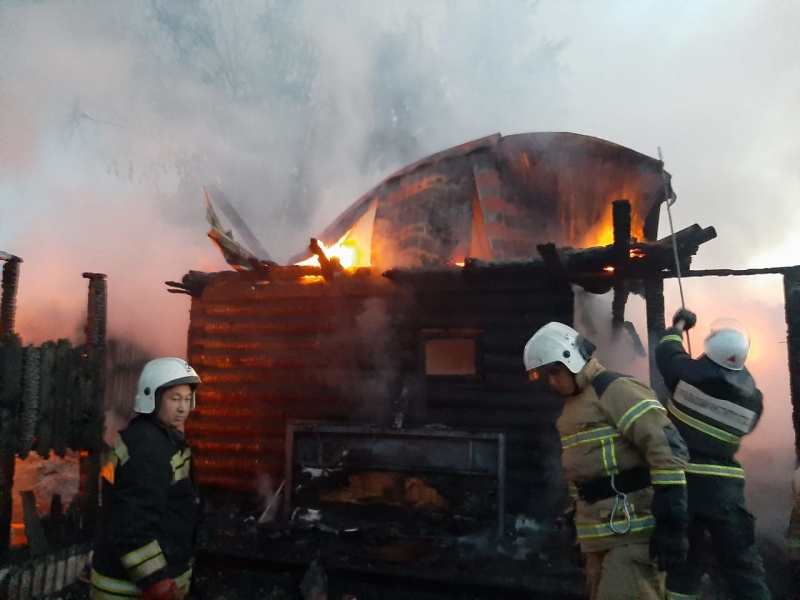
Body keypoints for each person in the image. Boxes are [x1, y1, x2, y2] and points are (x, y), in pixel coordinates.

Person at [523, 322, 689, 600]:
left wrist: (673, 523)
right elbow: (585, 471)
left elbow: (667, 448)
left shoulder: (615, 389)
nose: (551, 382)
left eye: (554, 372)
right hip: (600, 537)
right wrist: (576, 520)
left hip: (631, 536)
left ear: (570, 358)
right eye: (544, 376)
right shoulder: (575, 406)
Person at [656, 309, 772, 600]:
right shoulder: (753, 399)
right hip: (725, 489)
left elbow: (666, 350)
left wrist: (680, 324)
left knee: (684, 563)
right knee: (742, 566)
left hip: (683, 482)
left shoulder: (684, 374)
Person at [90, 358, 203, 600]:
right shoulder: (148, 448)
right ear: (152, 399)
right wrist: (156, 581)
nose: (183, 408)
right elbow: (132, 526)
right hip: (128, 591)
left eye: (187, 399)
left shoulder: (158, 437)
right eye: (174, 399)